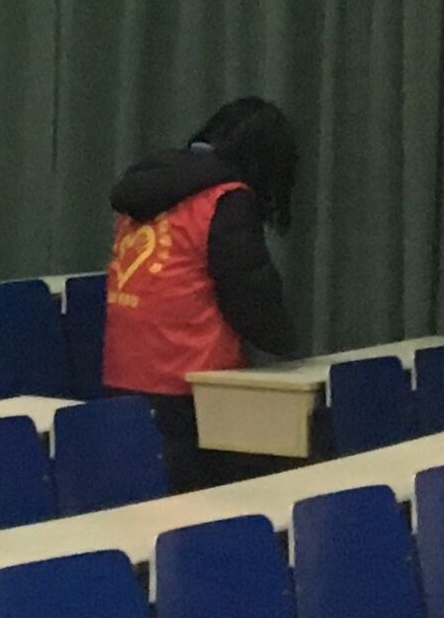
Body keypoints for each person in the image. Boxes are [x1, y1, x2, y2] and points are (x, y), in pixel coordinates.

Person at [102, 96, 300, 489]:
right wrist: (288, 346)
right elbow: (250, 291)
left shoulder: (146, 191)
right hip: (192, 384)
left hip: (123, 373)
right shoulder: (225, 198)